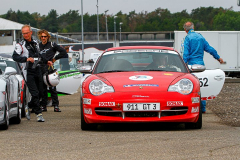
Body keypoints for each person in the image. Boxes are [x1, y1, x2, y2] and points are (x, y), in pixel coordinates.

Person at [183, 21, 224, 113]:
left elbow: (186, 54)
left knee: (193, 86)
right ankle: (203, 108)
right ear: (193, 28)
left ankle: (194, 107)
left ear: (185, 30)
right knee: (202, 86)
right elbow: (209, 49)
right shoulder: (201, 37)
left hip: (191, 65)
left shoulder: (188, 38)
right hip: (201, 65)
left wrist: (183, 65)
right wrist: (218, 58)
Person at [12, 25, 51, 122]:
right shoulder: (20, 45)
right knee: (34, 93)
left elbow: (40, 55)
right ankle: (39, 114)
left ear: (31, 32)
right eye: (23, 33)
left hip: (37, 69)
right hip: (28, 71)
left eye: (26, 33)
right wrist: (26, 59)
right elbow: (14, 57)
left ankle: (27, 106)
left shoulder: (36, 43)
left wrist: (47, 61)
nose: (25, 35)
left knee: (41, 92)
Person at [37, 29, 67, 112]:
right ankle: (43, 105)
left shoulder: (52, 44)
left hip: (50, 69)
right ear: (40, 37)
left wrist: (55, 59)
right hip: (41, 68)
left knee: (52, 87)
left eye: (45, 36)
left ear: (48, 37)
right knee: (42, 89)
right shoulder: (38, 46)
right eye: (42, 36)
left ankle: (56, 105)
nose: (43, 38)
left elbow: (63, 52)